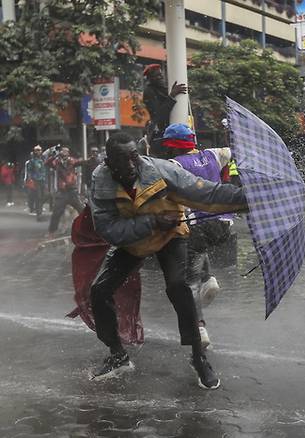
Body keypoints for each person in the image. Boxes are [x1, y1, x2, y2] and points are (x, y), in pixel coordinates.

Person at [88, 131, 246, 390]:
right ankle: (117, 355)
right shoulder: (100, 181)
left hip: (171, 236)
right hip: (134, 242)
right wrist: (152, 221)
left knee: (179, 287)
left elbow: (206, 193)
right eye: (121, 160)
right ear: (108, 161)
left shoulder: (161, 171)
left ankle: (198, 357)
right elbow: (108, 229)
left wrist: (244, 198)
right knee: (99, 290)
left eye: (133, 157)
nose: (130, 165)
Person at [156, 123, 235, 350]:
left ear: (171, 146)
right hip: (224, 223)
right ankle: (209, 279)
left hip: (198, 225)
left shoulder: (174, 165)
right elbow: (232, 152)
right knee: (199, 248)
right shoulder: (213, 154)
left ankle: (199, 327)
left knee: (186, 282)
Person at [45, 146, 85, 236]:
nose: (64, 152)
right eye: (63, 151)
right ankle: (51, 231)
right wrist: (54, 156)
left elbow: (81, 162)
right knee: (56, 212)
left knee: (82, 210)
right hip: (62, 192)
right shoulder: (57, 162)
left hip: (72, 191)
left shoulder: (72, 161)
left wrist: (88, 160)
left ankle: (88, 230)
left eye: (66, 151)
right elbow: (47, 163)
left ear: (69, 153)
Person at [142, 64, 187, 141]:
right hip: (161, 133)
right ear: (149, 79)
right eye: (156, 75)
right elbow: (159, 115)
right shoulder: (149, 92)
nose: (160, 77)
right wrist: (172, 96)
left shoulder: (166, 88)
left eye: (161, 74)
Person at [25, 145, 47, 221]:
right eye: (36, 150)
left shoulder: (43, 160)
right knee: (38, 197)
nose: (38, 151)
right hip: (36, 181)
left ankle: (39, 210)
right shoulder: (32, 161)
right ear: (34, 151)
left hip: (43, 181)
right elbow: (29, 171)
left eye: (39, 150)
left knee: (45, 196)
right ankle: (39, 214)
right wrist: (30, 179)